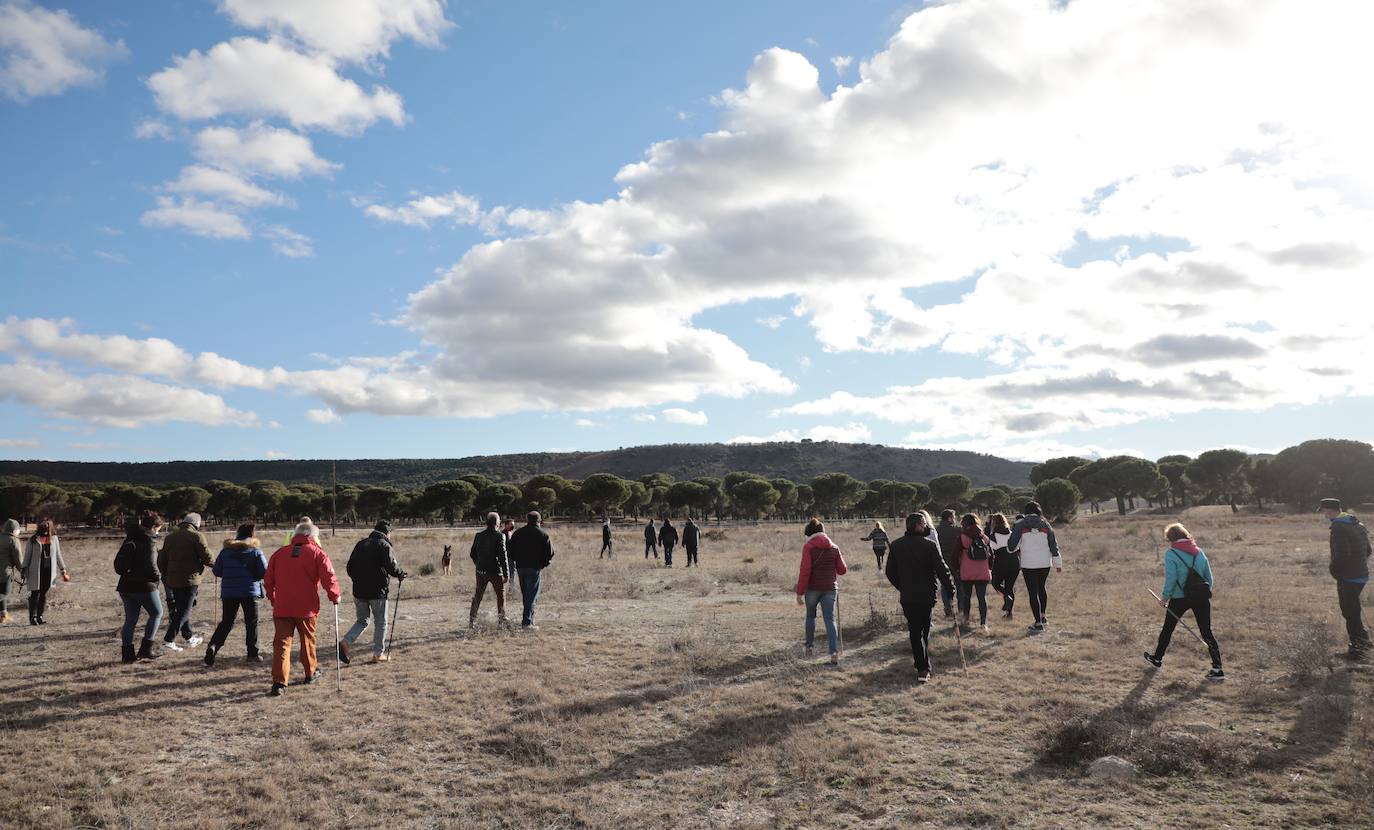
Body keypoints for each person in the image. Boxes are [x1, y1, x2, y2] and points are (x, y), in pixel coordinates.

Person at [264, 522, 341, 696]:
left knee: (281, 645)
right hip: (307, 609)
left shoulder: (278, 554)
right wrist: (335, 596)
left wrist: (273, 598)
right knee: (307, 641)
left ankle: (279, 683)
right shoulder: (318, 554)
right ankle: (310, 673)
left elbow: (268, 580)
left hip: (282, 607)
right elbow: (329, 577)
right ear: (312, 537)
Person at [1143, 523, 1223, 680]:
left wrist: (1165, 597)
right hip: (1201, 597)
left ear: (1170, 538)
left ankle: (1157, 659)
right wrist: (1202, 593)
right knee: (1207, 632)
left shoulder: (1171, 554)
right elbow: (1209, 578)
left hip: (1180, 598)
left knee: (1168, 629)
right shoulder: (1199, 552)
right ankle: (1218, 669)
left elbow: (1171, 579)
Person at [886, 512, 955, 682]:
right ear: (916, 526)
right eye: (923, 524)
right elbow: (942, 570)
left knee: (915, 632)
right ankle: (923, 668)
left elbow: (890, 572)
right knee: (923, 631)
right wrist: (950, 588)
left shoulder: (896, 545)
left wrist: (902, 586)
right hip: (926, 596)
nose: (926, 527)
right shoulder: (930, 545)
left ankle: (922, 665)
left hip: (908, 596)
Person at [339, 520, 406, 665]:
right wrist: (401, 573)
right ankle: (378, 654)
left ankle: (345, 642)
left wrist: (358, 580)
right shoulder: (384, 545)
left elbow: (349, 567)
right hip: (378, 592)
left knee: (362, 621)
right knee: (381, 622)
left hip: (359, 590)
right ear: (387, 533)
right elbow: (392, 567)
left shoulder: (360, 544)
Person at [205, 523, 268, 666]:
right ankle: (252, 653)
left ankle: (213, 646)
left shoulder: (225, 551)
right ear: (252, 534)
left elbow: (217, 571)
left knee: (227, 622)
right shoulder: (255, 551)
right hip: (249, 591)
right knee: (251, 622)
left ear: (238, 533)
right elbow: (264, 571)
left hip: (229, 592)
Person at [1322, 498, 1373, 658]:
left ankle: (1357, 650)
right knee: (1354, 610)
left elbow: (1342, 555)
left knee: (1350, 612)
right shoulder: (1357, 523)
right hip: (1361, 575)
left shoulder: (1338, 527)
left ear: (1330, 510)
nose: (1324, 515)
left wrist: (1334, 570)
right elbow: (1369, 550)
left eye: (1324, 511)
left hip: (1348, 577)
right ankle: (1364, 642)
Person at [795, 518, 848, 665]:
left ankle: (809, 648)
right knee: (830, 620)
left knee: (810, 617)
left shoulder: (808, 547)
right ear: (823, 531)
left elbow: (805, 571)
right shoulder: (834, 547)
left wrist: (799, 592)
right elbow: (842, 570)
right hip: (830, 589)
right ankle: (834, 652)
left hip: (812, 589)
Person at [157, 512, 213, 651]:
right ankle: (168, 641)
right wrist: (217, 566)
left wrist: (166, 574)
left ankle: (188, 637)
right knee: (185, 611)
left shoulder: (169, 537)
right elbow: (207, 558)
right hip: (190, 579)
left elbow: (161, 559)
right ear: (196, 524)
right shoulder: (197, 536)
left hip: (173, 579)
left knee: (181, 609)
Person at [115, 511, 165, 662]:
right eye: (159, 529)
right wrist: (158, 577)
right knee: (157, 613)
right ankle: (145, 649)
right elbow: (151, 564)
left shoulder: (130, 538)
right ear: (154, 527)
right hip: (144, 585)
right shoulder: (149, 540)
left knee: (130, 620)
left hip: (125, 585)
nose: (158, 532)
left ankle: (127, 654)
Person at [1007, 501, 1063, 634]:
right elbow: (1053, 546)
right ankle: (1043, 617)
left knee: (1033, 592)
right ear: (1039, 511)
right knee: (1041, 588)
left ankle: (1038, 623)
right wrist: (1058, 563)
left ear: (1026, 511)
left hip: (1028, 564)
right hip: (1045, 563)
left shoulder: (1020, 525)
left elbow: (1011, 548)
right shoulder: (1046, 524)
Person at [509, 511, 554, 628]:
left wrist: (517, 560)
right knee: (532, 596)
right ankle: (527, 622)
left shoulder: (518, 533)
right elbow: (549, 554)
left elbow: (510, 551)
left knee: (526, 595)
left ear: (527, 520)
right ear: (539, 521)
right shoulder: (543, 535)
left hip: (520, 568)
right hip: (534, 568)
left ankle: (530, 619)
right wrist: (542, 564)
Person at [21, 520, 68, 626]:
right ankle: (32, 617)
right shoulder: (33, 540)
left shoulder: (54, 539)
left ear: (51, 528)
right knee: (35, 594)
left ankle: (40, 616)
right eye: (43, 528)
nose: (46, 530)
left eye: (47, 527)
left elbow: (58, 555)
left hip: (48, 571)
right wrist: (24, 568)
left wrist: (62, 569)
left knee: (43, 594)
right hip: (35, 571)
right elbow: (27, 556)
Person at [469, 512, 510, 627]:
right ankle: (501, 619)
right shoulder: (500, 536)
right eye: (499, 522)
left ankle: (472, 620)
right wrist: (506, 573)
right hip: (495, 571)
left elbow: (472, 554)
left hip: (480, 571)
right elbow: (503, 555)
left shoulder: (479, 535)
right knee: (500, 596)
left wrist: (478, 564)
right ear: (497, 523)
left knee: (478, 595)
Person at [957, 514, 994, 631]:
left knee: (966, 596)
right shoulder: (984, 538)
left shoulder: (962, 538)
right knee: (982, 597)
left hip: (966, 572)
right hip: (982, 572)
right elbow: (992, 555)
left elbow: (954, 556)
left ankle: (966, 619)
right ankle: (983, 623)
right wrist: (989, 568)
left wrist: (957, 568)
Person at [987, 513, 1017, 618]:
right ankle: (1009, 613)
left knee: (996, 584)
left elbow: (993, 549)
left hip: (1001, 563)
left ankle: (1007, 597)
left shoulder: (993, 536)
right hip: (1014, 563)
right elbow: (1017, 547)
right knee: (1009, 587)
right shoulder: (1012, 533)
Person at [934, 510, 963, 619]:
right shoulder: (957, 530)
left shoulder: (936, 530)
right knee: (960, 585)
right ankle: (961, 608)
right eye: (954, 517)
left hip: (941, 561)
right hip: (956, 561)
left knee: (945, 585)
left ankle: (948, 609)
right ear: (950, 518)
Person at [1, 519, 21, 624]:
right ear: (14, 530)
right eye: (18, 529)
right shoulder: (13, 540)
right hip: (5, 573)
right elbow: (18, 559)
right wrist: (23, 570)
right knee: (5, 593)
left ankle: (3, 615)